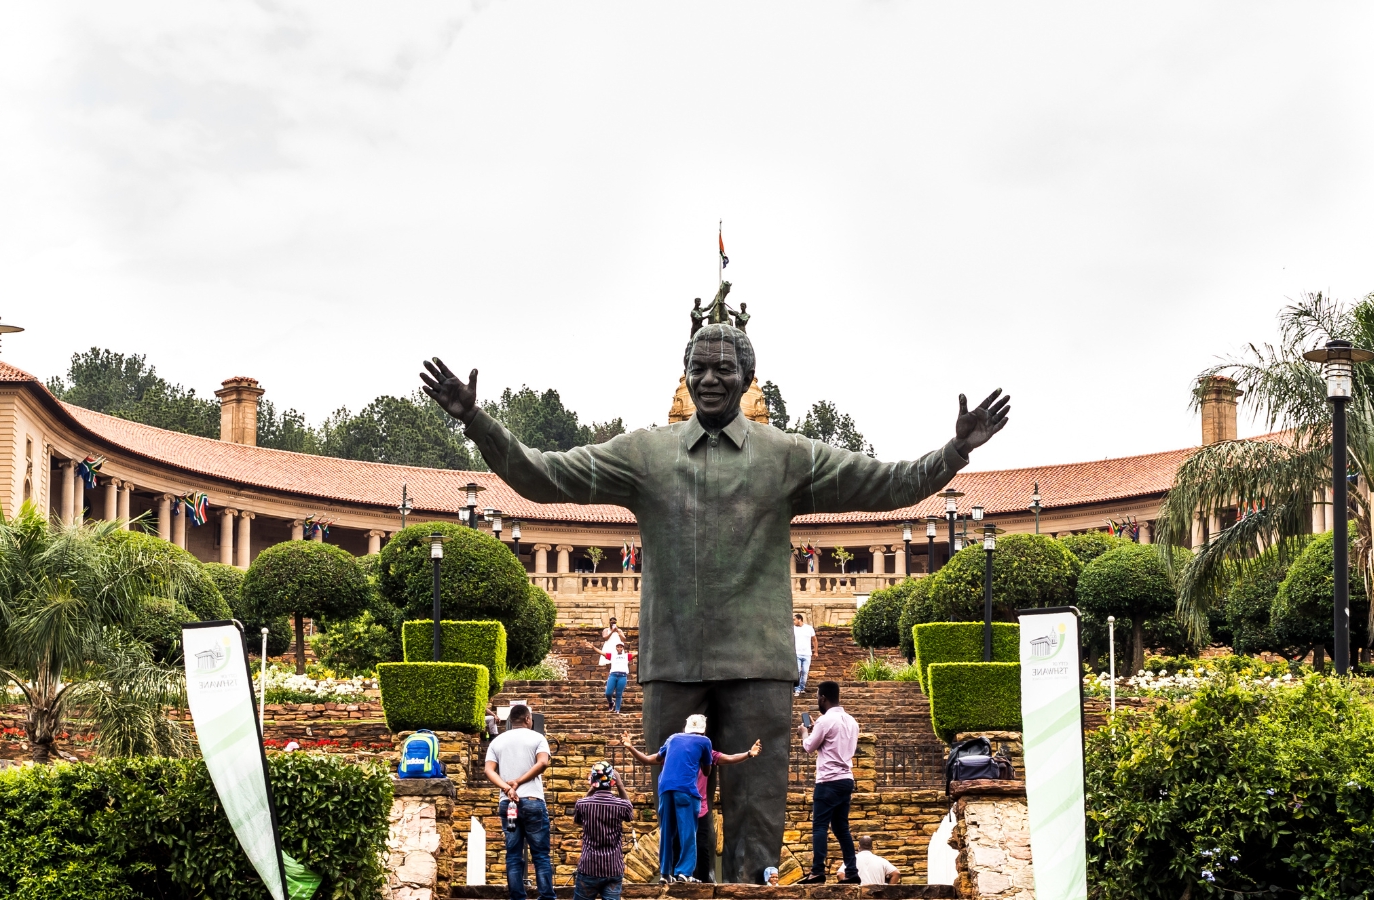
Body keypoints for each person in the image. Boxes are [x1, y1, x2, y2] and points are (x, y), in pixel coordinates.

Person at [421, 328, 1010, 881]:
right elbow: (541, 476)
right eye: (698, 368)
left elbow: (887, 484)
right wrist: (476, 420)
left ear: (748, 378)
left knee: (758, 822)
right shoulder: (644, 454)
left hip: (758, 666)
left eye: (723, 369)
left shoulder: (786, 456)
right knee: (678, 817)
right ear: (684, 374)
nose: (709, 379)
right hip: (672, 662)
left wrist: (955, 450)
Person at [627, 714, 762, 882]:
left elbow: (648, 760)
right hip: (687, 793)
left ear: (685, 728)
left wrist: (630, 747)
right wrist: (748, 754)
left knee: (667, 832)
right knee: (689, 834)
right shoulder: (704, 742)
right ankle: (685, 873)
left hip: (665, 789)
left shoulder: (672, 740)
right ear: (703, 731)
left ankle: (665, 873)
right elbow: (709, 769)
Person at [484, 702, 554, 900]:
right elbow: (543, 763)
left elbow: (489, 770)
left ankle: (518, 897)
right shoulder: (538, 738)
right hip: (532, 800)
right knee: (540, 855)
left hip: (508, 804)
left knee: (513, 854)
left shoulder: (497, 742)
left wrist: (507, 788)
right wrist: (519, 782)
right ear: (527, 719)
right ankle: (546, 897)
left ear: (509, 721)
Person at [799, 680, 859, 883]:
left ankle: (817, 871)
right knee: (842, 828)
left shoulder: (824, 721)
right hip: (846, 779)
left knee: (820, 827)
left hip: (828, 781)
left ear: (823, 698)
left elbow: (809, 747)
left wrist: (805, 732)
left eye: (817, 697)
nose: (817, 700)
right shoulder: (852, 721)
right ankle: (852, 872)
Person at [571, 760, 634, 900]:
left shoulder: (582, 804)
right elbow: (630, 814)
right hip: (613, 868)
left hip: (589, 867)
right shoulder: (621, 805)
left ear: (592, 780)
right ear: (612, 781)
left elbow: (577, 820)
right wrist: (620, 785)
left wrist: (592, 789)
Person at [605, 638, 631, 714]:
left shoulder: (626, 656)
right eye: (618, 647)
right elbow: (602, 653)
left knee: (619, 693)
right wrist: (593, 647)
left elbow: (637, 654)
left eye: (621, 647)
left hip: (622, 676)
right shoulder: (612, 655)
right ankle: (611, 702)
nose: (619, 648)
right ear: (616, 648)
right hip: (613, 675)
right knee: (608, 693)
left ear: (623, 648)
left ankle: (617, 709)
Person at [792, 613, 815, 696]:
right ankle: (797, 689)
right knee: (797, 671)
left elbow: (814, 639)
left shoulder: (809, 628)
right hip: (797, 653)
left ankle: (802, 688)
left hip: (807, 654)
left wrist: (816, 651)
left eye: (794, 619)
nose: (793, 621)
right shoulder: (792, 629)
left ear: (799, 619)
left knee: (805, 672)